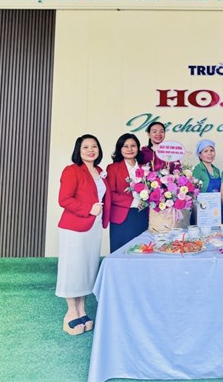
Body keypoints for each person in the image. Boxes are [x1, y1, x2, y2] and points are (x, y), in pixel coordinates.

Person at [56, 134, 111, 335]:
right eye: (85, 147)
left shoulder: (100, 171)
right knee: (73, 269)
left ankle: (82, 310)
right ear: (78, 151)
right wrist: (88, 209)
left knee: (87, 268)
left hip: (94, 227)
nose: (90, 150)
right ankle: (71, 313)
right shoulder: (71, 170)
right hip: (74, 227)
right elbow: (64, 199)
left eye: (94, 146)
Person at [106, 133, 148, 253]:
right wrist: (134, 201)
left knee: (142, 251)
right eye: (125, 146)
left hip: (142, 215)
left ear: (138, 148)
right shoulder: (113, 168)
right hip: (122, 217)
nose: (130, 149)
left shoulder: (145, 168)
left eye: (133, 146)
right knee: (121, 252)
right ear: (120, 149)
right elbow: (110, 194)